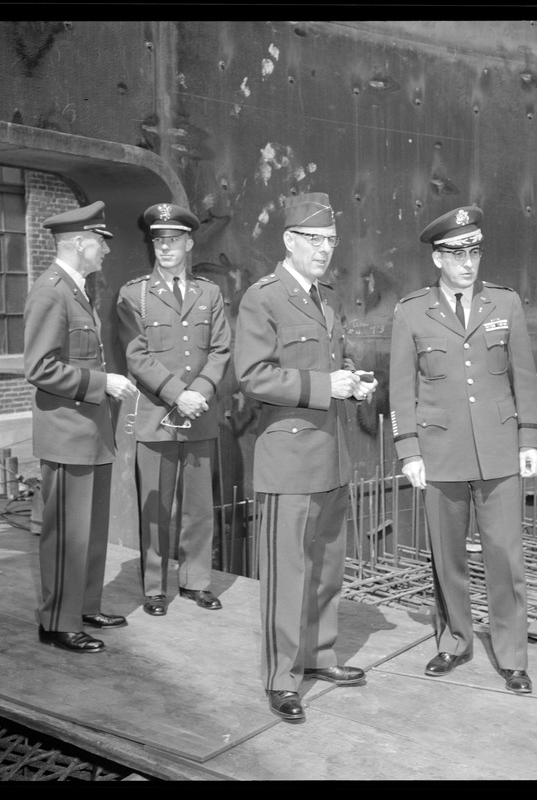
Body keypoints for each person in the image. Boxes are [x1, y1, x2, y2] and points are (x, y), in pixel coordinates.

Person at [234, 192, 377, 723]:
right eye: (314, 240)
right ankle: (280, 678)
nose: (324, 250)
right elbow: (252, 376)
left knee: (325, 570)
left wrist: (352, 384)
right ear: (290, 241)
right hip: (289, 460)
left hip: (330, 459)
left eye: (331, 241)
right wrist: (325, 384)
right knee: (287, 574)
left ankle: (317, 657)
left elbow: (326, 366)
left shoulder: (324, 299)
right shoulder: (264, 299)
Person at [388, 205, 537, 693]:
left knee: (505, 555)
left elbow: (525, 376)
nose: (468, 263)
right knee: (446, 557)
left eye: (474, 252)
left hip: (499, 450)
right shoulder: (412, 311)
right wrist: (409, 451)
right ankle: (454, 641)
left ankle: (512, 654)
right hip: (441, 452)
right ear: (437, 259)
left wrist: (530, 439)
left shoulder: (505, 304)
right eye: (457, 254)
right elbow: (400, 389)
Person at [23, 201, 138, 653]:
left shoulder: (75, 290)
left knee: (89, 529)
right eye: (101, 244)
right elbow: (39, 367)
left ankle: (85, 605)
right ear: (79, 244)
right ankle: (58, 621)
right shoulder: (51, 291)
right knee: (66, 533)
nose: (106, 252)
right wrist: (102, 382)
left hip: (89, 430)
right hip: (68, 432)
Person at [116, 203, 232, 616]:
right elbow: (136, 356)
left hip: (199, 414)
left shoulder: (210, 293)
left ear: (189, 243)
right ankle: (154, 587)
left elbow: (220, 350)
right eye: (158, 241)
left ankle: (196, 582)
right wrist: (176, 393)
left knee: (199, 506)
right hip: (156, 416)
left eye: (173, 240)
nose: (164, 248)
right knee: (156, 508)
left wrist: (197, 392)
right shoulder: (135, 295)